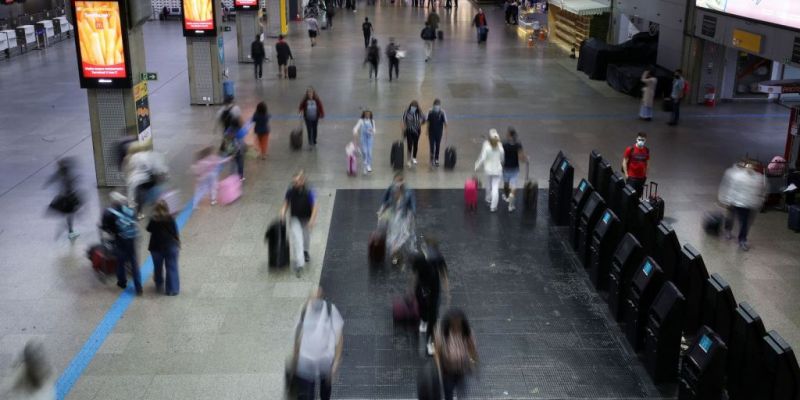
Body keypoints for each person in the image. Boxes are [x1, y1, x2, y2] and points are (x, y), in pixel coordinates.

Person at [291, 288, 344, 400]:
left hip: (324, 360)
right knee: (307, 395)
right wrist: (295, 359)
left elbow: (339, 338)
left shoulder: (330, 310)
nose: (315, 301)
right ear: (309, 299)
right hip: (306, 361)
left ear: (322, 298)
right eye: (313, 298)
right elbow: (298, 336)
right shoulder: (304, 310)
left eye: (318, 298)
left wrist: (336, 363)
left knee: (325, 394)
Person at [717, 161, 766, 251]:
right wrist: (726, 199)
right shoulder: (735, 175)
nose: (751, 168)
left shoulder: (758, 178)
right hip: (735, 201)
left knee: (744, 222)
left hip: (747, 204)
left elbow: (761, 191)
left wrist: (758, 202)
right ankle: (729, 231)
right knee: (732, 217)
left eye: (753, 166)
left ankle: (742, 239)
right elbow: (729, 187)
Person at [413, 238, 449, 356]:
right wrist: (410, 289)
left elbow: (443, 274)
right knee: (423, 308)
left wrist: (447, 291)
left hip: (434, 290)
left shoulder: (438, 258)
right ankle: (423, 320)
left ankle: (430, 343)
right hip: (422, 288)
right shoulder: (419, 259)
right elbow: (414, 275)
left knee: (433, 317)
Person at [101, 192, 142, 295]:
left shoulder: (109, 212)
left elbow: (106, 227)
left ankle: (122, 282)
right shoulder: (129, 210)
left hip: (120, 239)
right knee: (133, 261)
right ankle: (138, 287)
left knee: (120, 261)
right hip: (131, 239)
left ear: (113, 202)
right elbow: (135, 220)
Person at [434, 309, 478, 400]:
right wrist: (438, 369)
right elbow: (437, 351)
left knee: (462, 392)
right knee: (448, 393)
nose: (456, 326)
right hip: (447, 371)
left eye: (458, 324)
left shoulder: (467, 332)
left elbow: (472, 348)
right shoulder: (442, 332)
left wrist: (473, 361)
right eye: (453, 324)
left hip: (462, 369)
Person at [280, 170, 318, 276]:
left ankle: (305, 251)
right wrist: (282, 213)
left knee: (306, 237)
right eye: (294, 182)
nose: (295, 184)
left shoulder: (310, 191)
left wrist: (312, 220)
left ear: (302, 181)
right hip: (295, 218)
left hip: (306, 217)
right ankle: (300, 263)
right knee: (297, 239)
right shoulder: (290, 191)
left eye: (297, 182)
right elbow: (286, 203)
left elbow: (314, 207)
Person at [378, 173, 417, 264]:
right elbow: (386, 200)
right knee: (395, 235)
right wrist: (382, 210)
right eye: (396, 181)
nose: (398, 183)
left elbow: (412, 203)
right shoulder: (391, 189)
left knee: (404, 234)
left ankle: (399, 250)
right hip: (394, 216)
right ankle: (394, 253)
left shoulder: (408, 191)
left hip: (404, 215)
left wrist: (413, 213)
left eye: (400, 181)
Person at [147, 200, 180, 296]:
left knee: (157, 267)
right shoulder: (170, 218)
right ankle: (172, 290)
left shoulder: (153, 220)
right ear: (167, 208)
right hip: (170, 246)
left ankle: (159, 284)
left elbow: (148, 229)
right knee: (172, 267)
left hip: (156, 247)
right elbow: (175, 232)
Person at [45, 158, 82, 240]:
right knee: (70, 214)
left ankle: (70, 230)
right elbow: (69, 185)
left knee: (70, 214)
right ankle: (70, 231)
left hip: (66, 197)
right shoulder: (66, 176)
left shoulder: (61, 173)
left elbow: (53, 178)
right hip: (68, 198)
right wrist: (74, 181)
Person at [474, 129, 505, 212]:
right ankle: (493, 207)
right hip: (497, 170)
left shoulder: (487, 146)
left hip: (488, 170)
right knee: (495, 188)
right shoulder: (500, 147)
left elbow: (482, 158)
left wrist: (477, 165)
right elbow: (502, 159)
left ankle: (488, 198)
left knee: (488, 184)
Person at [501, 127, 525, 212]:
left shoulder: (504, 144)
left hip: (506, 168)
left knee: (506, 183)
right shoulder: (518, 145)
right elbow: (521, 158)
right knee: (513, 186)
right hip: (515, 168)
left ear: (509, 135)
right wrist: (526, 159)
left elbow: (501, 156)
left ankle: (506, 195)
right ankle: (511, 204)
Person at [621, 132, 650, 198]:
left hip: (641, 177)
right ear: (636, 139)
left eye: (643, 140)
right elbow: (624, 162)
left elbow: (647, 163)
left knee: (638, 195)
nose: (641, 141)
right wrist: (626, 175)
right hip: (631, 177)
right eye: (639, 139)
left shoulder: (646, 150)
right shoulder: (630, 149)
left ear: (645, 140)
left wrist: (646, 175)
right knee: (629, 195)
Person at [402, 100, 426, 167]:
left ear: (417, 107)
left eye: (415, 107)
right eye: (413, 106)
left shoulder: (419, 112)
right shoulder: (406, 111)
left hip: (417, 130)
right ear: (410, 106)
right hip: (409, 130)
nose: (414, 108)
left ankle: (414, 158)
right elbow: (403, 121)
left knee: (416, 144)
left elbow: (424, 119)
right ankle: (408, 160)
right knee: (409, 145)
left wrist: (421, 123)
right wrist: (403, 130)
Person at [426, 99, 448, 167]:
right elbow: (428, 121)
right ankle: (431, 159)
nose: (437, 107)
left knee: (438, 145)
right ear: (433, 105)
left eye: (438, 105)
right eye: (436, 105)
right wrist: (427, 130)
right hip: (431, 132)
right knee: (432, 146)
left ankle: (436, 159)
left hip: (439, 132)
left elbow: (445, 123)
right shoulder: (430, 111)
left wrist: (446, 132)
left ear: (440, 105)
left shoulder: (442, 112)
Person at [353, 110, 376, 174]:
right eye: (366, 114)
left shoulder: (372, 121)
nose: (367, 115)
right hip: (363, 138)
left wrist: (372, 131)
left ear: (370, 115)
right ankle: (365, 165)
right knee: (365, 152)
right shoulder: (361, 121)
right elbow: (355, 128)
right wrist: (355, 132)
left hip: (370, 139)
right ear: (364, 114)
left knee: (370, 152)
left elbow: (374, 130)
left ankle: (368, 165)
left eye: (369, 114)